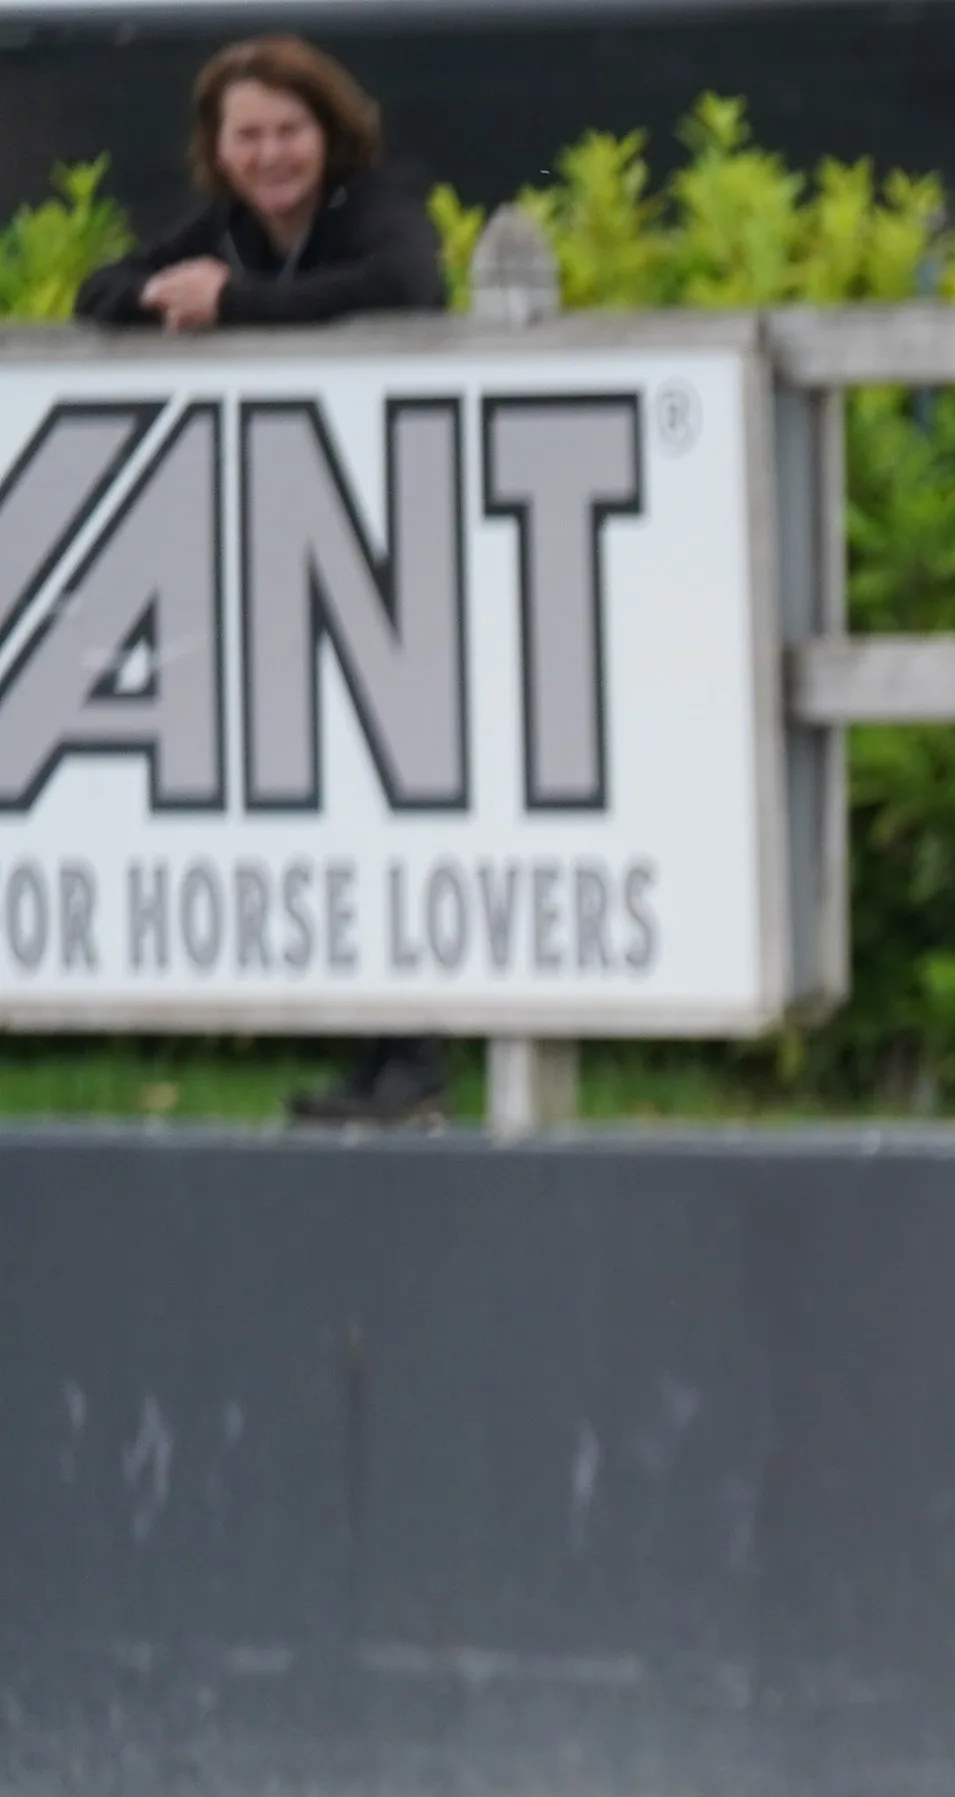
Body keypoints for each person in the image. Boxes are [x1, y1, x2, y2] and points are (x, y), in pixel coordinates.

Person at [83, 34, 454, 1129]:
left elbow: (405, 284)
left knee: (404, 787)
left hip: (402, 537)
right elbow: (101, 290)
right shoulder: (232, 231)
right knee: (337, 789)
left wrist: (232, 305)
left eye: (289, 131)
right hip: (301, 546)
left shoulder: (376, 205)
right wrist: (171, 293)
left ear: (329, 132)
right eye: (248, 135)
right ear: (218, 149)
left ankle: (418, 1054)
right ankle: (387, 1059)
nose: (270, 154)